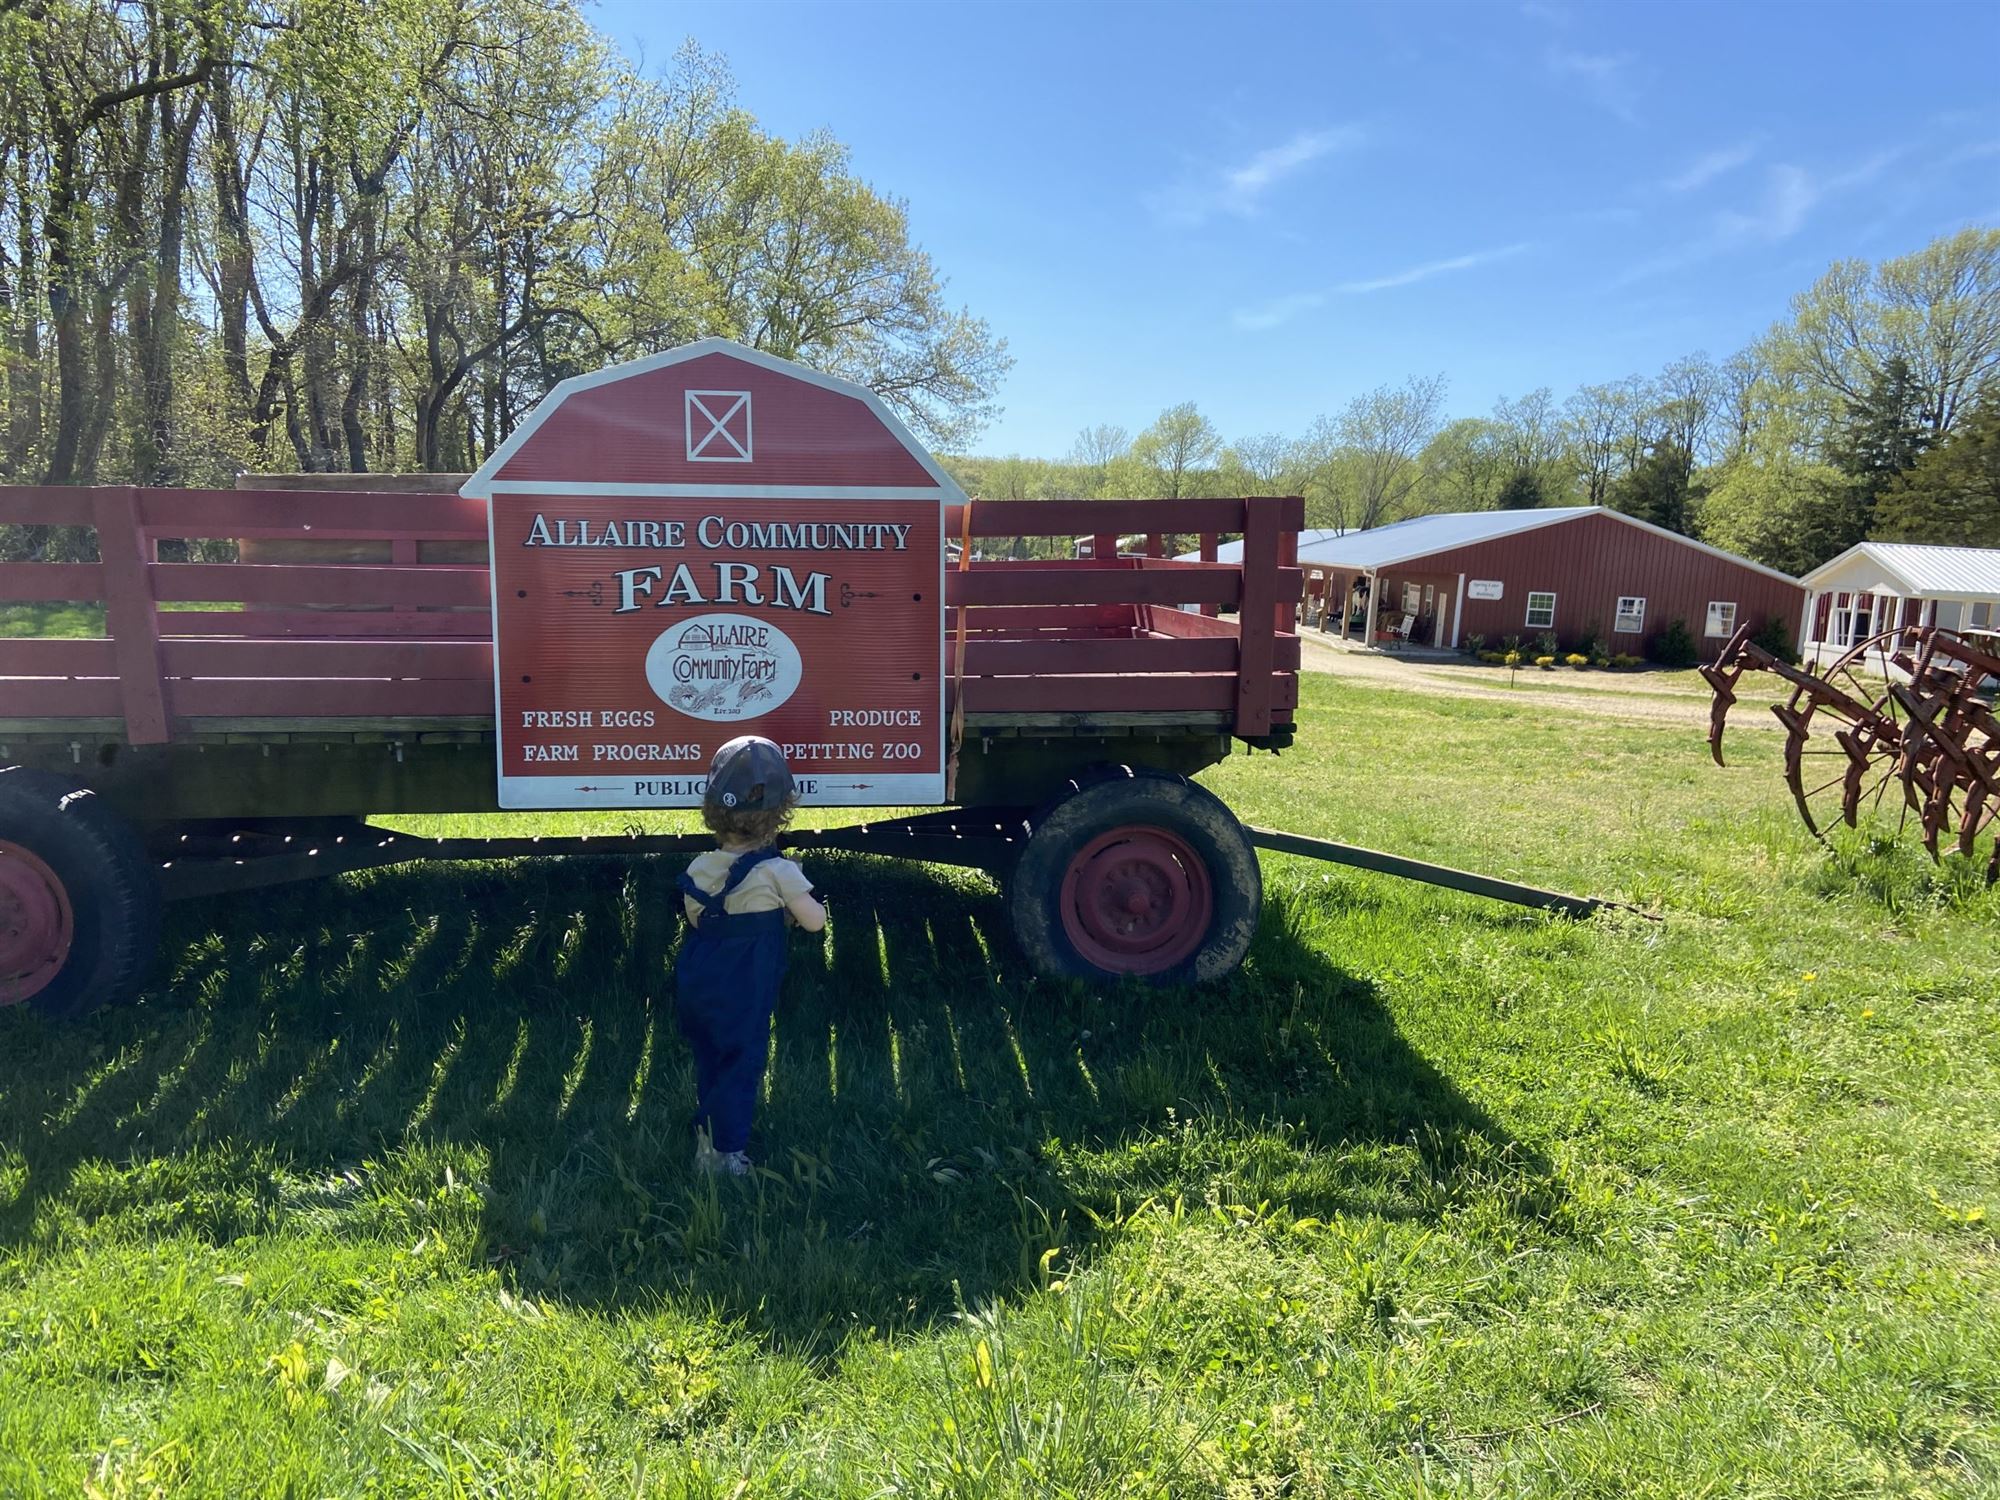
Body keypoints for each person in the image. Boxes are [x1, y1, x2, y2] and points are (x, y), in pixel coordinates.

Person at [674, 736, 826, 1177]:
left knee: (710, 1055)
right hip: (747, 985)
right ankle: (726, 1153)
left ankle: (707, 1127)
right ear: (778, 816)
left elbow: (697, 919)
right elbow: (814, 922)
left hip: (700, 979)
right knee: (742, 1060)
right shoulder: (779, 872)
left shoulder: (700, 868)